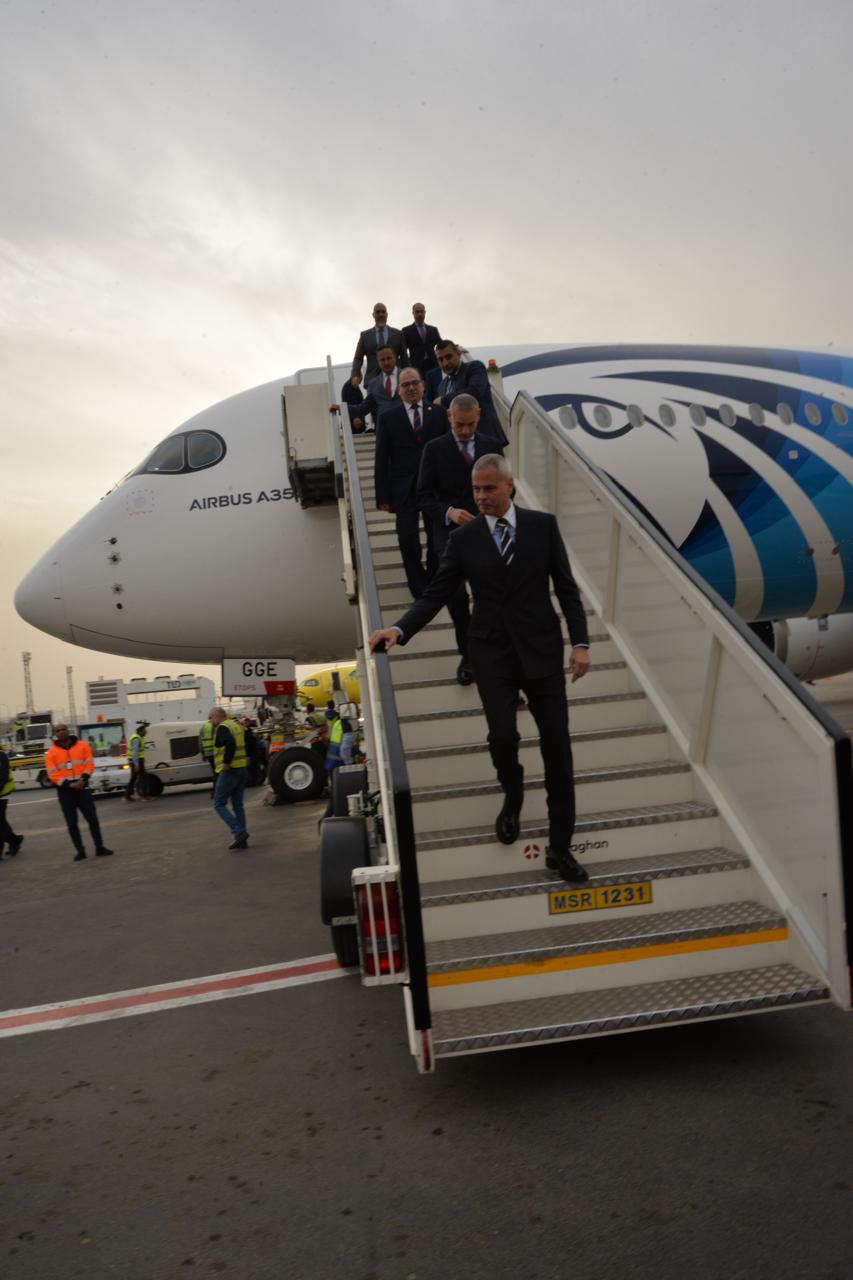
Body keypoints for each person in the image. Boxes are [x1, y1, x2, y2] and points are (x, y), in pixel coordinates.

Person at [369, 455, 591, 883]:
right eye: (476, 489)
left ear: (509, 485)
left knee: (558, 752)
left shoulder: (543, 527)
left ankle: (560, 848)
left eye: (489, 488)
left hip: (541, 651)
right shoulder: (464, 538)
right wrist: (399, 628)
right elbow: (436, 593)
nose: (481, 496)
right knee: (503, 737)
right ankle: (513, 791)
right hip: (491, 653)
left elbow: (566, 589)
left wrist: (580, 643)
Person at [416, 393, 504, 685]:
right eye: (459, 425)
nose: (465, 431)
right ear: (449, 418)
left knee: (489, 595)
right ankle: (468, 655)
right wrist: (449, 512)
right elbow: (423, 496)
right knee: (455, 597)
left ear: (478, 416)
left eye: (470, 424)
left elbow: (507, 489)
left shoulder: (492, 445)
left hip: (487, 530)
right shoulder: (434, 449)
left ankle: (489, 653)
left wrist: (491, 509)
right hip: (450, 535)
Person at [374, 367, 449, 597]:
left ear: (423, 385)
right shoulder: (387, 418)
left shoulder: (439, 414)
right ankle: (418, 588)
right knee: (408, 539)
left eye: (415, 383)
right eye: (405, 385)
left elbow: (448, 450)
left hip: (434, 488)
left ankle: (433, 581)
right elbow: (381, 458)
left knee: (436, 538)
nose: (411, 388)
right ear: (398, 390)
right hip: (403, 489)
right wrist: (383, 496)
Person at [44, 724, 114, 862]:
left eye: (63, 729)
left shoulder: (83, 746)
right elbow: (52, 773)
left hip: (83, 788)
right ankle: (80, 851)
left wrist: (83, 779)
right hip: (65, 792)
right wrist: (69, 784)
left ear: (68, 731)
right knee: (71, 823)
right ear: (55, 734)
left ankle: (99, 847)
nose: (61, 732)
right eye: (58, 730)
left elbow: (89, 763)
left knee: (92, 819)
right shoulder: (51, 752)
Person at [426, 340, 506, 445]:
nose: (445, 363)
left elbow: (475, 391)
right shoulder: (442, 385)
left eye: (448, 357)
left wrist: (443, 400)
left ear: (458, 354)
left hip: (485, 439)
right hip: (459, 445)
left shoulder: (474, 367)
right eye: (440, 360)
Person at [210, 707, 249, 850]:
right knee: (238, 805)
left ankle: (238, 832)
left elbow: (231, 743)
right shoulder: (236, 726)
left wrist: (226, 762)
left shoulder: (223, 727)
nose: (210, 720)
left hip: (230, 770)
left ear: (218, 716)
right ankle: (242, 840)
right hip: (241, 768)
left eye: (211, 717)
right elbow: (246, 742)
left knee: (218, 804)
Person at [350, 303, 405, 388]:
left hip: (396, 381)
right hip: (372, 381)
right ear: (373, 315)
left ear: (387, 314)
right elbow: (358, 358)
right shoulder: (365, 336)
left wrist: (408, 375)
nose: (381, 314)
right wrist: (355, 374)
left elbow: (405, 358)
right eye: (378, 312)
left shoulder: (398, 334)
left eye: (383, 312)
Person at [361, 346, 402, 424]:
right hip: (384, 429)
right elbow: (365, 407)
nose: (386, 363)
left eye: (389, 358)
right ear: (378, 361)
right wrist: (343, 407)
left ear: (395, 357)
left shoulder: (408, 377)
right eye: (382, 360)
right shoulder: (372, 384)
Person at [402, 303, 442, 377]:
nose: (419, 314)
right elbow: (403, 350)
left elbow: (441, 344)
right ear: (413, 313)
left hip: (433, 365)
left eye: (421, 311)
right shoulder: (406, 331)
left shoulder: (433, 330)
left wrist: (456, 347)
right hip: (416, 367)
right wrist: (407, 366)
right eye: (417, 312)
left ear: (425, 312)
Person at [0, 745, 24, 860]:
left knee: (0, 823)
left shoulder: (1, 755)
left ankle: (14, 841)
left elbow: (3, 777)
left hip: (2, 793)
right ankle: (15, 840)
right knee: (2, 822)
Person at [125, 720, 150, 801]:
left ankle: (127, 795)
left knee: (134, 777)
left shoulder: (138, 737)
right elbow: (135, 752)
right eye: (145, 731)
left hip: (135, 760)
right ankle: (145, 796)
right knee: (143, 777)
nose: (146, 732)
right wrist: (136, 764)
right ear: (140, 731)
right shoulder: (136, 739)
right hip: (137, 761)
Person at [201, 712, 216, 779]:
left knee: (213, 769)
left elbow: (200, 742)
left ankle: (216, 784)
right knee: (218, 771)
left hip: (207, 753)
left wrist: (203, 754)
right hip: (215, 752)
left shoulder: (203, 727)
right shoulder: (214, 726)